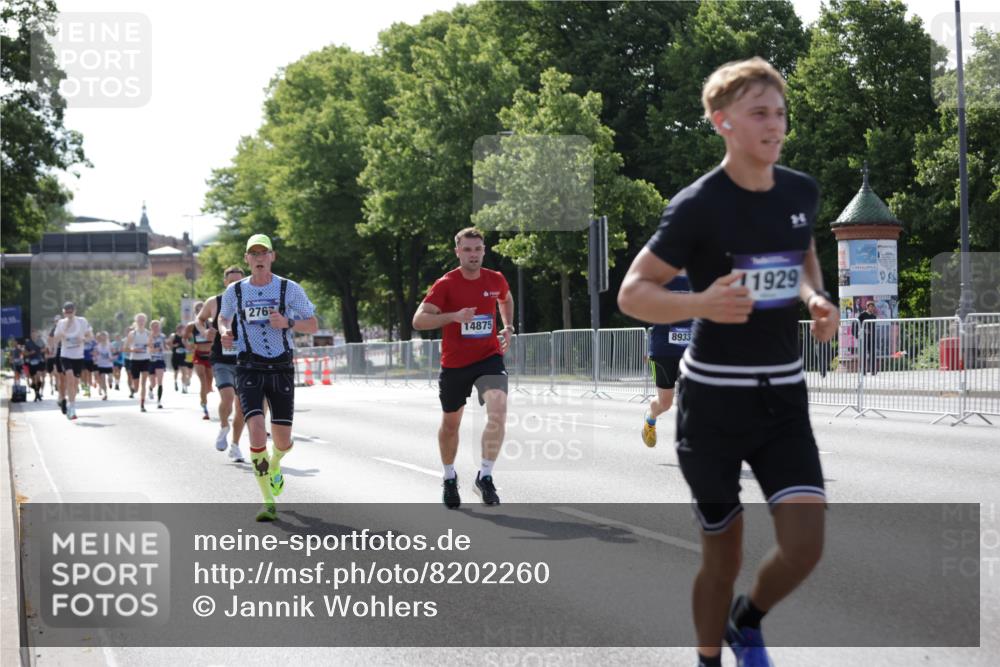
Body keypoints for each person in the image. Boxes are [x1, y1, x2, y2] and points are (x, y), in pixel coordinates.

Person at [617, 58, 839, 667]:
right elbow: (633, 293)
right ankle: (709, 657)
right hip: (713, 404)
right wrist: (701, 301)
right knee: (724, 557)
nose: (775, 125)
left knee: (805, 546)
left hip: (783, 399)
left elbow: (802, 253)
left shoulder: (800, 190)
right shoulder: (697, 206)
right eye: (759, 114)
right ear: (723, 122)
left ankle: (748, 620)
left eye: (780, 113)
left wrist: (817, 298)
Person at [412, 227, 514, 509]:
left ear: (484, 251)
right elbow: (419, 320)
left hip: (489, 356)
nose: (473, 255)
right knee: (450, 424)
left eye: (477, 249)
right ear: (457, 251)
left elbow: (505, 298)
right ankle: (448, 477)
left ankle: (485, 475)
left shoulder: (495, 279)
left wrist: (508, 326)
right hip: (456, 363)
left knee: (499, 410)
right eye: (467, 250)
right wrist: (454, 316)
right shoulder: (446, 284)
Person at [218, 234, 317, 521]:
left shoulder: (289, 289)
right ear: (247, 259)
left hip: (281, 367)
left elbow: (312, 323)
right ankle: (267, 500)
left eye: (264, 253)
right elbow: (224, 317)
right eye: (253, 254)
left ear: (272, 256)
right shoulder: (235, 291)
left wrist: (289, 322)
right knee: (257, 430)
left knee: (283, 441)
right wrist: (226, 330)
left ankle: (275, 463)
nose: (259, 258)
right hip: (249, 366)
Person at [197, 265, 247, 462]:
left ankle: (235, 446)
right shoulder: (214, 301)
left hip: (245, 360)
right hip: (221, 359)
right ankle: (224, 425)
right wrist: (203, 331)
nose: (235, 284)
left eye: (239, 281)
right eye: (232, 280)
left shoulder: (250, 301)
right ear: (225, 282)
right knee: (227, 397)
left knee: (242, 407)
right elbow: (199, 320)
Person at [642, 273, 693, 447]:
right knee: (665, 403)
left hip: (691, 352)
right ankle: (650, 418)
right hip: (663, 350)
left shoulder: (701, 277)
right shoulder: (659, 277)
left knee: (696, 397)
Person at [51, 302, 93, 420]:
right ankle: (72, 410)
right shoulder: (61, 323)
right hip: (65, 355)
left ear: (75, 311)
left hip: (78, 356)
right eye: (67, 311)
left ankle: (72, 404)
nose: (69, 313)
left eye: (71, 311)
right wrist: (64, 329)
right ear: (63, 312)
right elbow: (55, 339)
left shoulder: (82, 321)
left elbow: (91, 337)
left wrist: (83, 339)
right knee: (69, 378)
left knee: (75, 383)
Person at [185, 303, 214, 419]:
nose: (200, 312)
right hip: (198, 355)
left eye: (202, 310)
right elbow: (185, 338)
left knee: (209, 383)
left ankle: (203, 397)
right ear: (195, 312)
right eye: (197, 310)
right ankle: (205, 408)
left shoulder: (211, 324)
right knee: (202, 380)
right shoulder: (192, 325)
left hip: (210, 356)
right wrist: (189, 345)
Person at [125, 313, 152, 412]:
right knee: (136, 388)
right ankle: (133, 389)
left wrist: (149, 347)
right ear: (136, 321)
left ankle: (142, 404)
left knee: (144, 383)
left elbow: (151, 346)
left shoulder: (148, 333)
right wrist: (133, 350)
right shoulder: (132, 334)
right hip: (135, 360)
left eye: (142, 320)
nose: (141, 322)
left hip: (145, 359)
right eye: (139, 320)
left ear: (145, 321)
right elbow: (125, 348)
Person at [147, 319, 167, 408]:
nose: (155, 328)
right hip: (150, 360)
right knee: (153, 383)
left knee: (160, 381)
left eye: (157, 326)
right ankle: (150, 389)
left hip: (160, 360)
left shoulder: (162, 336)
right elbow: (148, 349)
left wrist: (166, 347)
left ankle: (159, 401)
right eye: (154, 326)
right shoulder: (148, 336)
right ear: (150, 327)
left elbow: (165, 347)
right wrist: (154, 349)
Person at [856, 300, 878, 375]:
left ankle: (873, 370)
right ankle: (863, 370)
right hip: (864, 338)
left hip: (872, 338)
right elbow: (856, 323)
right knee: (863, 354)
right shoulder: (862, 315)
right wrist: (861, 331)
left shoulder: (874, 316)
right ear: (867, 307)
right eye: (870, 306)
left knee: (872, 353)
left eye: (873, 306)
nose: (872, 308)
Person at [24, 331, 46, 401]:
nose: (34, 335)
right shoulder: (28, 343)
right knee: (34, 379)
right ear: (31, 335)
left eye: (35, 334)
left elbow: (45, 349)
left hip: (39, 361)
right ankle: (36, 393)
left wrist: (40, 351)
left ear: (37, 335)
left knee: (38, 377)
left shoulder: (40, 341)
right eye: (32, 334)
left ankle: (38, 393)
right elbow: (25, 353)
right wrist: (30, 352)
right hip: (31, 362)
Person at [169, 324, 191, 392]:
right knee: (176, 371)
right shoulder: (173, 336)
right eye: (181, 329)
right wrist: (173, 345)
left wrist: (186, 343)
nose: (182, 330)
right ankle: (175, 382)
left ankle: (184, 387)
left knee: (184, 372)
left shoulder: (185, 337)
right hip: (175, 356)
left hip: (183, 356)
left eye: (184, 329)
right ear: (177, 329)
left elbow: (189, 346)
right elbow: (169, 345)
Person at [94, 331, 114, 400]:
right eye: (102, 336)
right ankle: (105, 394)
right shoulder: (97, 346)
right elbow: (95, 354)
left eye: (105, 336)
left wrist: (113, 358)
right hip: (101, 364)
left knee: (110, 378)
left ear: (107, 337)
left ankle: (110, 383)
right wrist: (95, 358)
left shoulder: (110, 345)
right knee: (102, 380)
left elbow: (115, 353)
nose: (103, 337)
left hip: (109, 364)